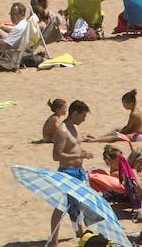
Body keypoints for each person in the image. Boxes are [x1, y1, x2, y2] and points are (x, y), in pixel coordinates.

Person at [48, 100, 93, 247]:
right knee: (61, 206)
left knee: (78, 203)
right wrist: (78, 156)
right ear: (74, 113)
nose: (83, 120)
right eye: (82, 116)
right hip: (67, 172)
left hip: (78, 171)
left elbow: (74, 148)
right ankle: (53, 241)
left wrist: (82, 152)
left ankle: (79, 233)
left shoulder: (74, 127)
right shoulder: (62, 131)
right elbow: (57, 155)